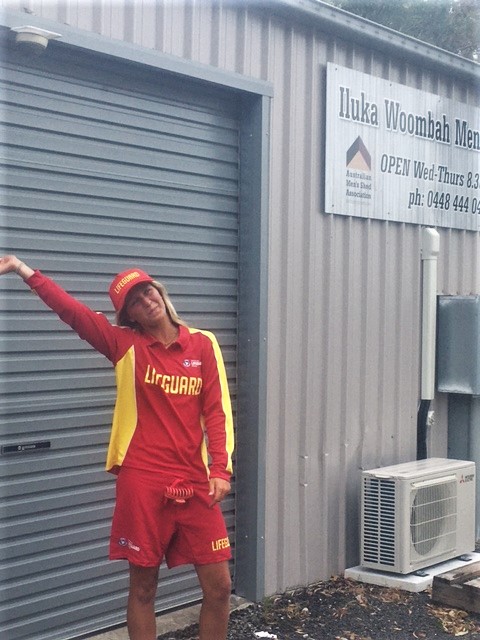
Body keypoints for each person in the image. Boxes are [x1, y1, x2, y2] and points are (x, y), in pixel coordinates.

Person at [0, 255, 234, 640]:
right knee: (143, 588)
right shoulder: (125, 345)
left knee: (220, 586)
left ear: (159, 290)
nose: (146, 300)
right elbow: (72, 312)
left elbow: (217, 412)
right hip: (142, 481)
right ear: (131, 318)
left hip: (195, 482)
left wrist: (220, 470)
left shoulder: (203, 344)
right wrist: (25, 271)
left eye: (147, 290)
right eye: (135, 302)